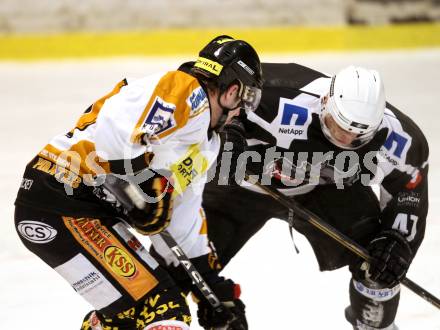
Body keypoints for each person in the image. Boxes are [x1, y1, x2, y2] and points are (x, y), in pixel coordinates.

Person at [14, 35, 263, 330]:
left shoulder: (204, 143)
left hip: (72, 211)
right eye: (246, 98)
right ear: (232, 91)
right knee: (165, 310)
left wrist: (208, 285)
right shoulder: (185, 90)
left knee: (127, 318)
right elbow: (114, 128)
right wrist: (138, 186)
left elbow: (181, 216)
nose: (243, 111)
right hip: (62, 199)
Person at [203, 63, 429, 329]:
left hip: (325, 189)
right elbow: (202, 94)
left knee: (382, 264)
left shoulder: (399, 140)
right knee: (178, 266)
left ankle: (374, 325)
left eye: (359, 136)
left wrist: (397, 241)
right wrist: (222, 134)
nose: (345, 139)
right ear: (325, 103)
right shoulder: (271, 93)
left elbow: (409, 191)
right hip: (241, 185)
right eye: (338, 127)